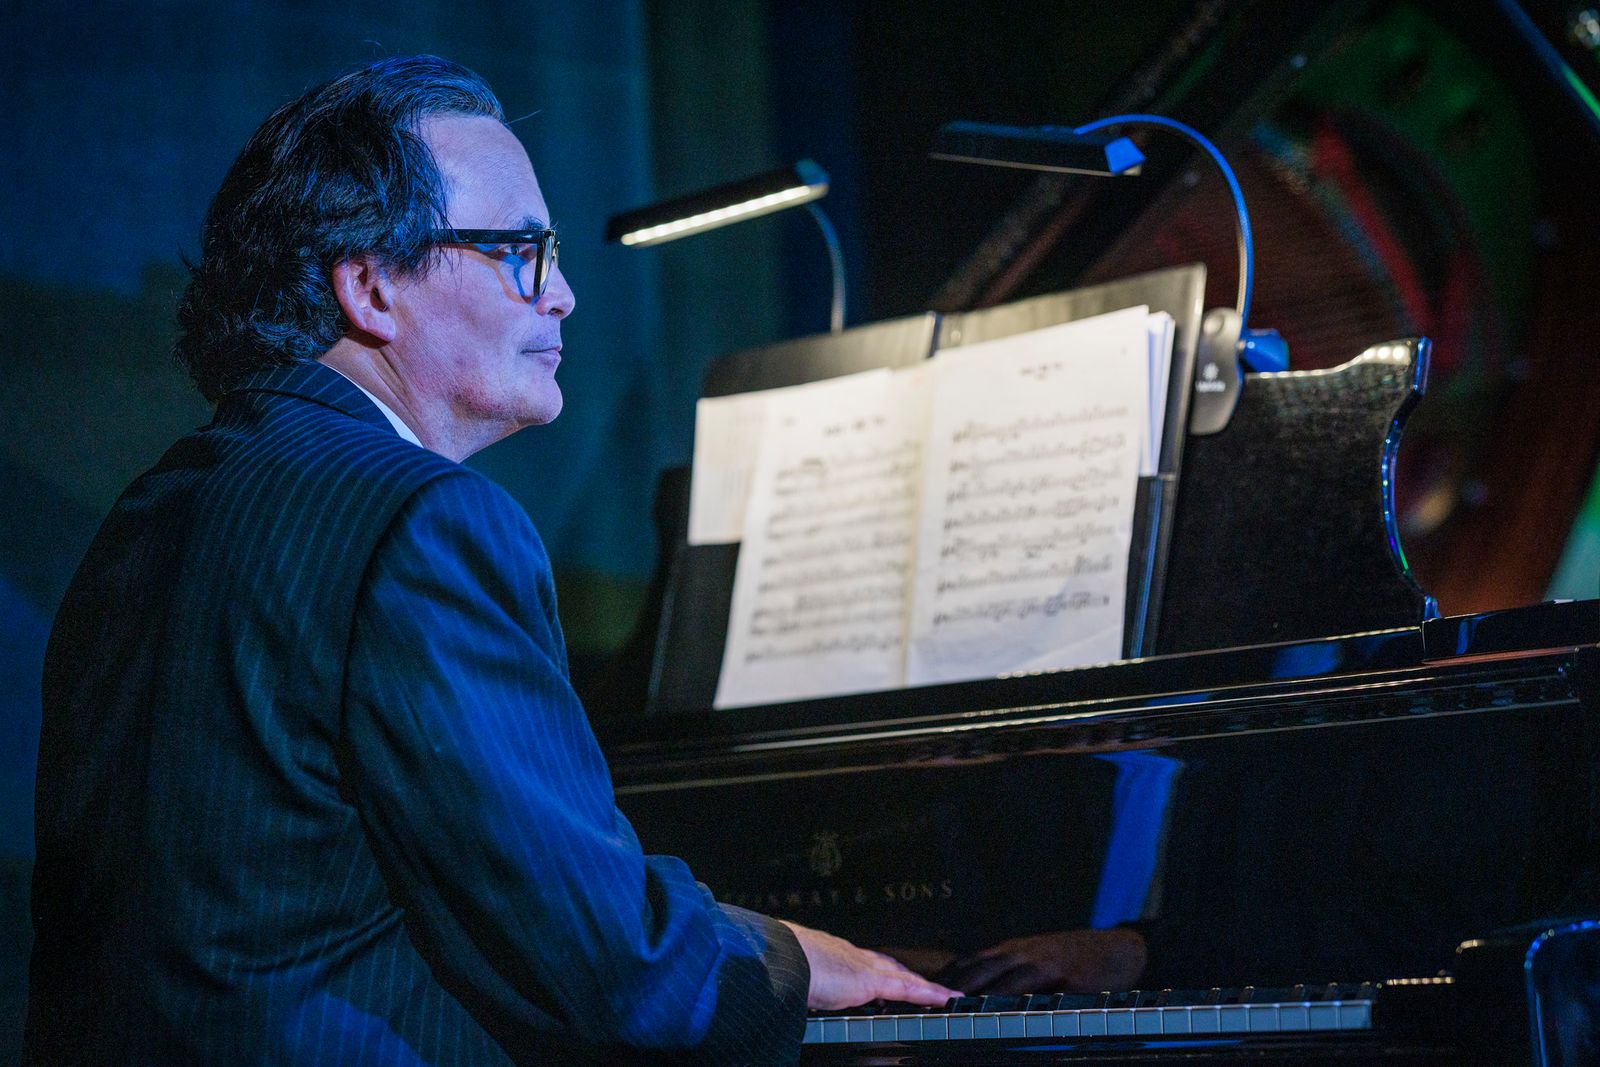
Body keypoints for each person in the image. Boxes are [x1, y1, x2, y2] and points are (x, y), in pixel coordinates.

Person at [26, 55, 953, 1066]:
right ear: (371, 286)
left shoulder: (153, 504)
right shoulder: (423, 518)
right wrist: (785, 956)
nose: (563, 296)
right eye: (521, 250)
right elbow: (607, 958)